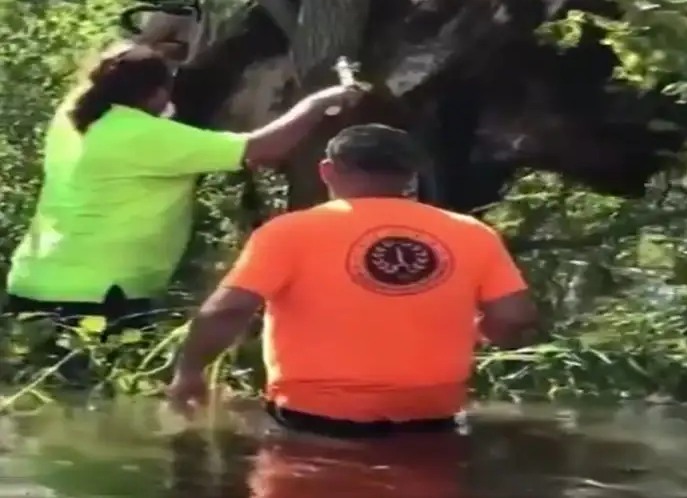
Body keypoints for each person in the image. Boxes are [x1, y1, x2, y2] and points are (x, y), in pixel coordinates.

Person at [167, 123, 538, 437]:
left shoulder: (290, 232)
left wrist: (189, 373)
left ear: (328, 170)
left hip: (314, 415)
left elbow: (229, 309)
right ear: (411, 176)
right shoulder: (471, 233)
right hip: (432, 415)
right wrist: (485, 333)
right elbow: (514, 317)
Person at [3, 44, 362, 343]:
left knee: (35, 403)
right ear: (157, 93)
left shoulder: (75, 114)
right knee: (89, 404)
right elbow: (262, 148)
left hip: (34, 281)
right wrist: (320, 102)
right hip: (99, 296)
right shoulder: (142, 134)